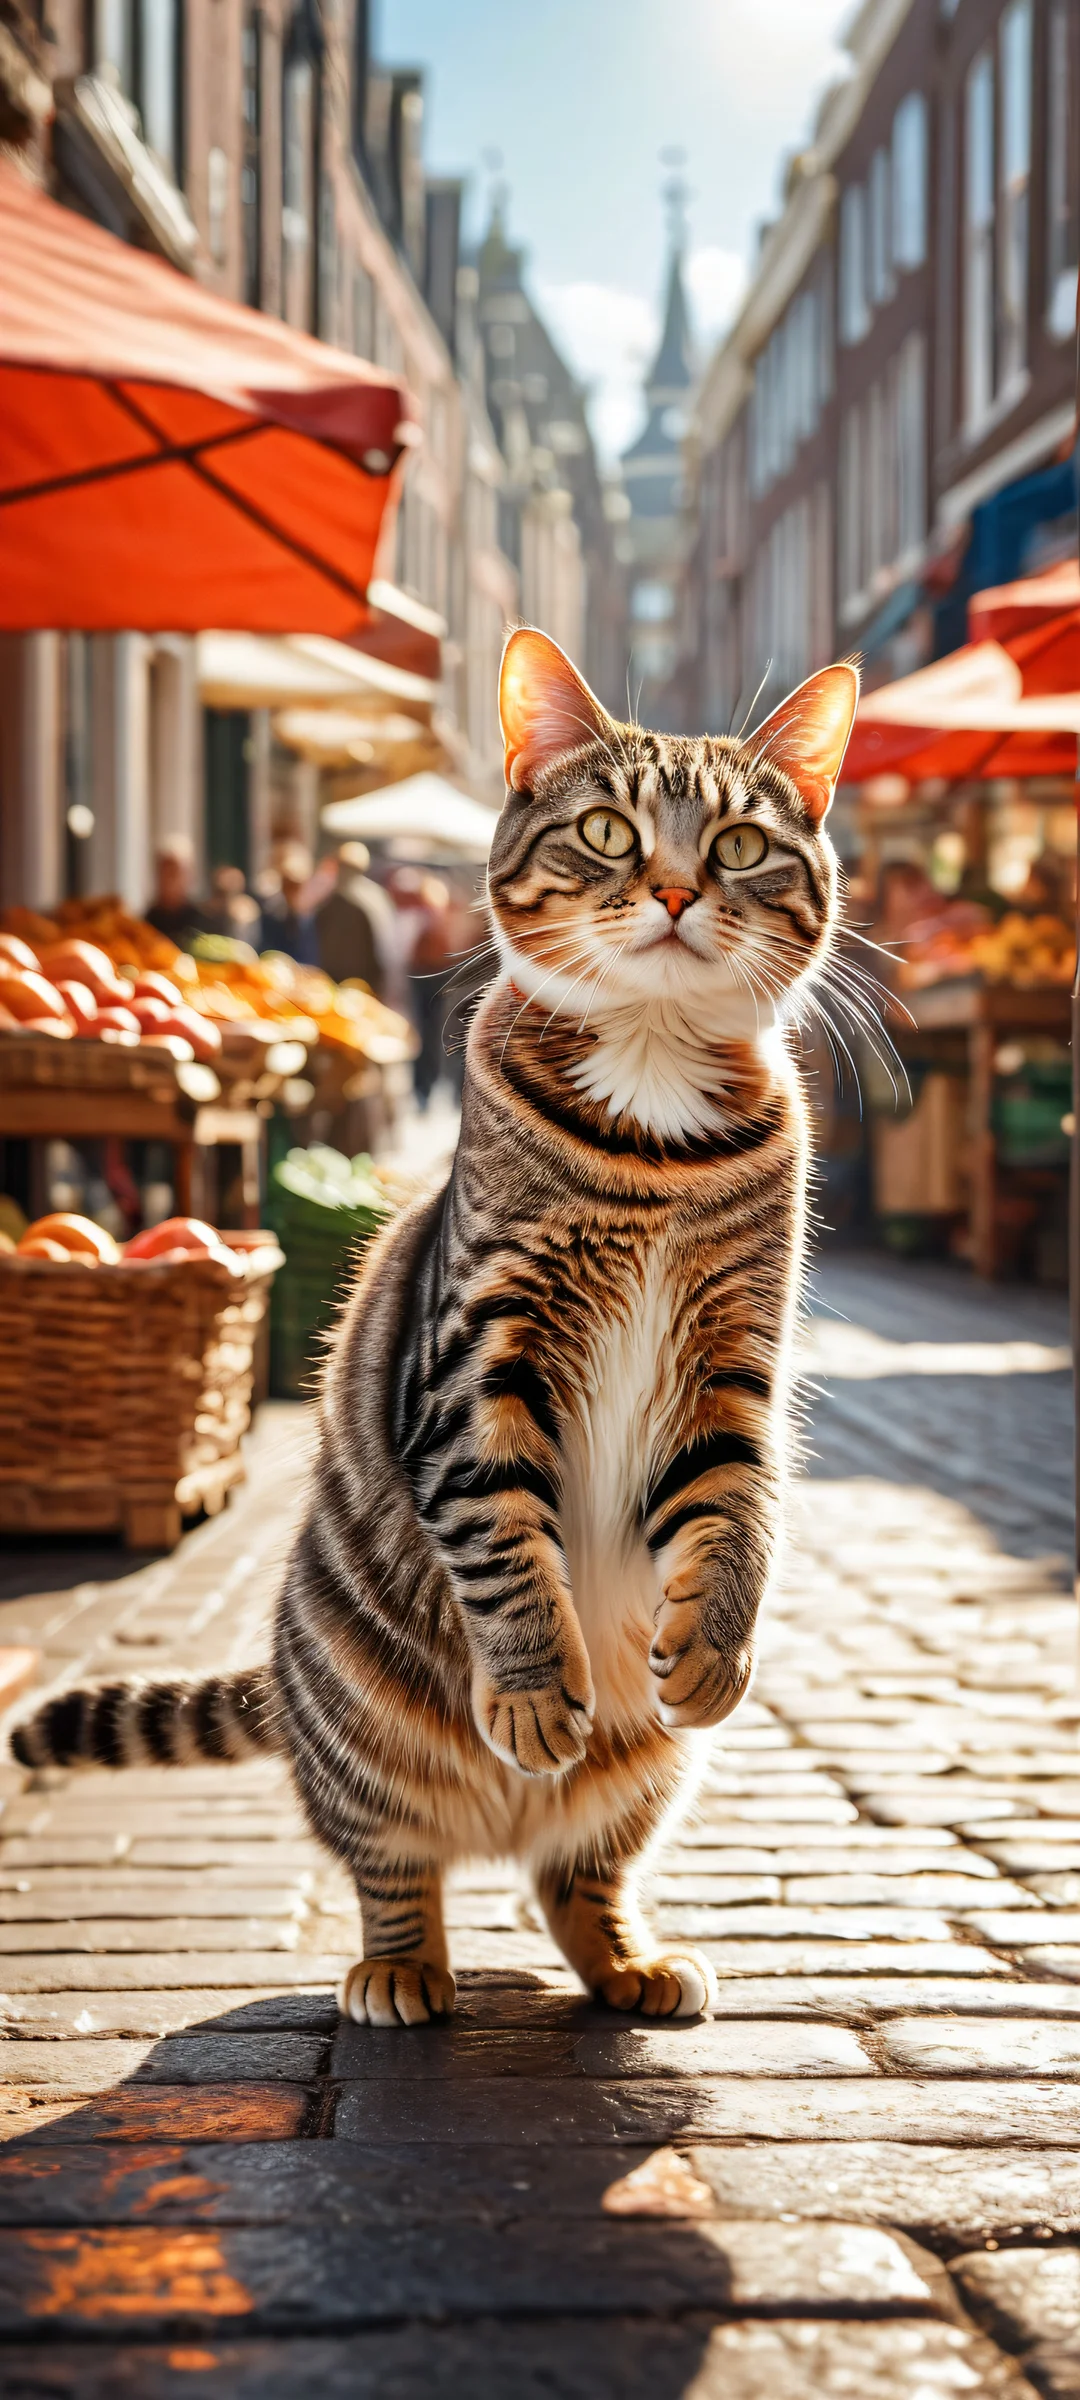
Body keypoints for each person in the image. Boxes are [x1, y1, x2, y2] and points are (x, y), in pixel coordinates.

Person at [316, 842, 395, 997]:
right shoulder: (331, 899)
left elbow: (383, 945)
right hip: (336, 980)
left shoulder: (368, 899)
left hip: (362, 981)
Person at [144, 835, 212, 948]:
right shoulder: (147, 922)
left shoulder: (202, 921)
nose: (169, 880)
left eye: (174, 873)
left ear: (189, 875)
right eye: (164, 872)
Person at [260, 844, 320, 967]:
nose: (292, 889)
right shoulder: (272, 914)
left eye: (295, 885)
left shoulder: (312, 915)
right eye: (288, 884)